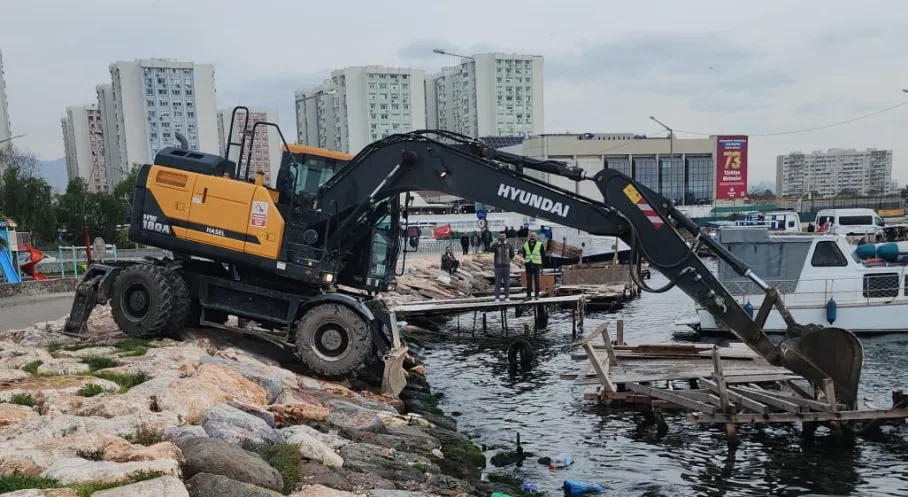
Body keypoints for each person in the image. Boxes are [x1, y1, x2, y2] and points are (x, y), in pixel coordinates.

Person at [490, 231, 515, 301]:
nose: (502, 238)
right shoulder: (496, 244)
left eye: (503, 236)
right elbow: (490, 250)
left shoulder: (509, 245)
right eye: (500, 237)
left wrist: (509, 260)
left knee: (507, 282)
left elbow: (512, 254)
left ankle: (507, 297)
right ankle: (497, 297)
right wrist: (495, 244)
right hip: (498, 266)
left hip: (506, 266)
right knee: (497, 282)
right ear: (499, 237)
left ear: (505, 237)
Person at [521, 231, 545, 299]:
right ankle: (528, 295)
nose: (532, 237)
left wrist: (541, 264)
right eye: (531, 236)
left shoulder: (540, 244)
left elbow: (543, 255)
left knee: (536, 280)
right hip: (528, 264)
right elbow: (524, 254)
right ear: (529, 237)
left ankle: (536, 295)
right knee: (529, 281)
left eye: (533, 236)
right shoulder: (525, 245)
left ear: (536, 237)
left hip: (536, 265)